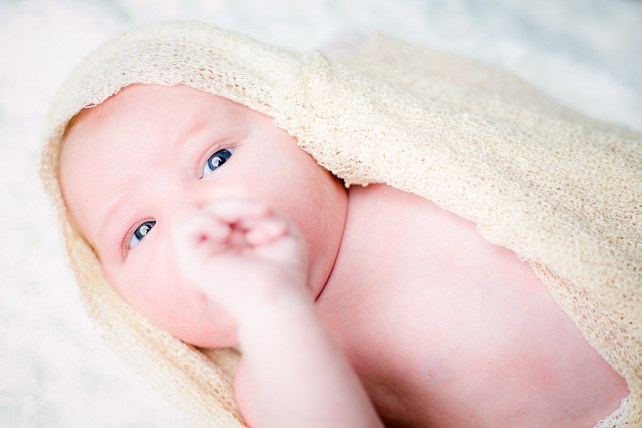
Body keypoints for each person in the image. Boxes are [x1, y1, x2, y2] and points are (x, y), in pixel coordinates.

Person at [41, 21, 641, 428]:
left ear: (301, 129)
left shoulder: (401, 161)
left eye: (215, 159)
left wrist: (355, 75)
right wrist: (274, 310)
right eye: (140, 231)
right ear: (125, 309)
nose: (194, 217)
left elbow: (501, 130)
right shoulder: (272, 368)